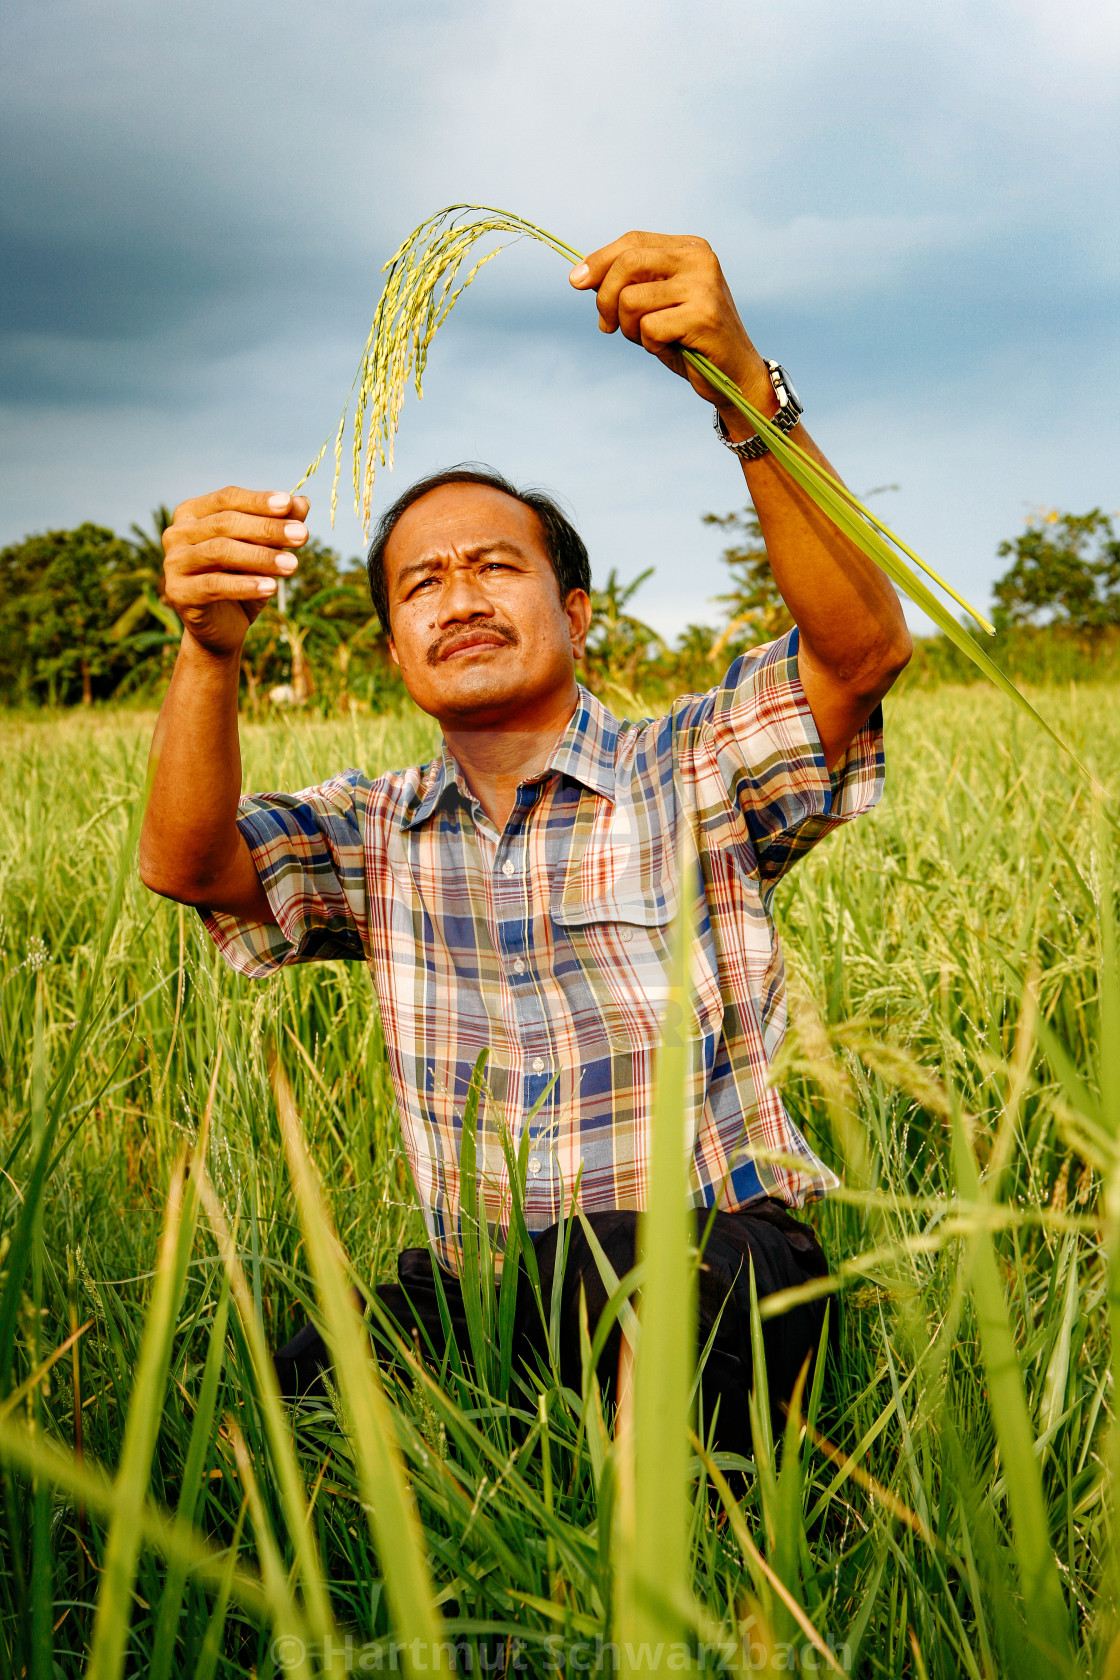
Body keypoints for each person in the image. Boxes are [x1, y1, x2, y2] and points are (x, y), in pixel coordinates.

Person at [140, 231, 911, 1453]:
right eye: (419, 583)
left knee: (640, 1277)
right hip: (490, 1296)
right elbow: (190, 865)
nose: (458, 596)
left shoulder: (694, 767)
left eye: (496, 565)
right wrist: (209, 650)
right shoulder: (377, 832)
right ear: (394, 651)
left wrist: (742, 393)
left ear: (576, 612)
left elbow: (861, 653)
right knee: (248, 1426)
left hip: (719, 1261)